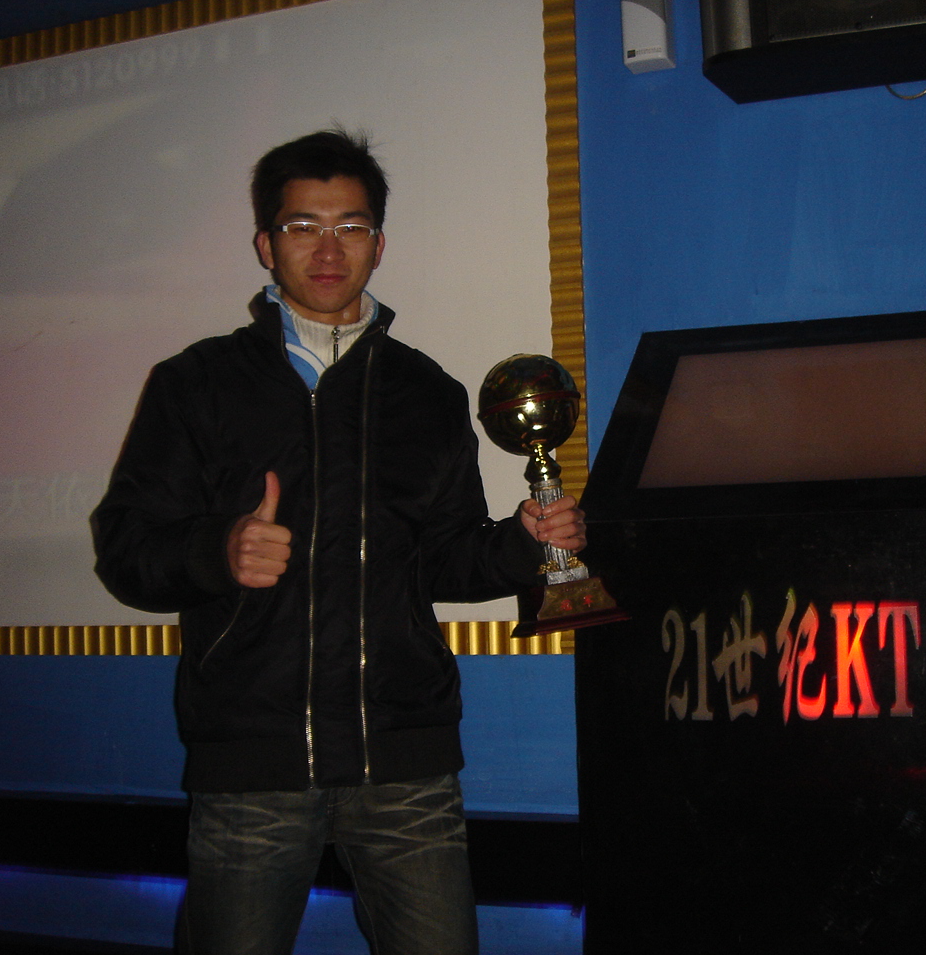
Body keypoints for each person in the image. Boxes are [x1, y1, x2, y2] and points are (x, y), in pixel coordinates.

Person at [92, 129, 585, 955]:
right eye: (303, 226)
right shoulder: (196, 383)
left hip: (406, 762)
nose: (328, 250)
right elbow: (125, 548)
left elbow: (443, 559)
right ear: (266, 243)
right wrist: (218, 552)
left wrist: (522, 543)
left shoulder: (428, 392)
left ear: (378, 244)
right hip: (251, 761)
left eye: (351, 227)